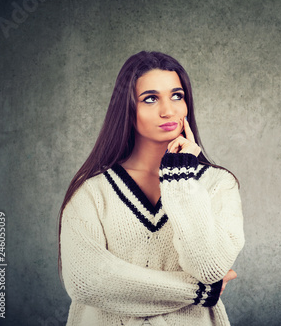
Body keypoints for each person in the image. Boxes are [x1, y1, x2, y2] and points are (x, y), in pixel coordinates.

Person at [58, 51, 245, 326]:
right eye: (150, 98)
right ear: (127, 109)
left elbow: (208, 267)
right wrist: (200, 291)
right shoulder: (91, 192)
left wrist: (180, 178)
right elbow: (87, 281)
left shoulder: (219, 185)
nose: (168, 110)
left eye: (177, 96)